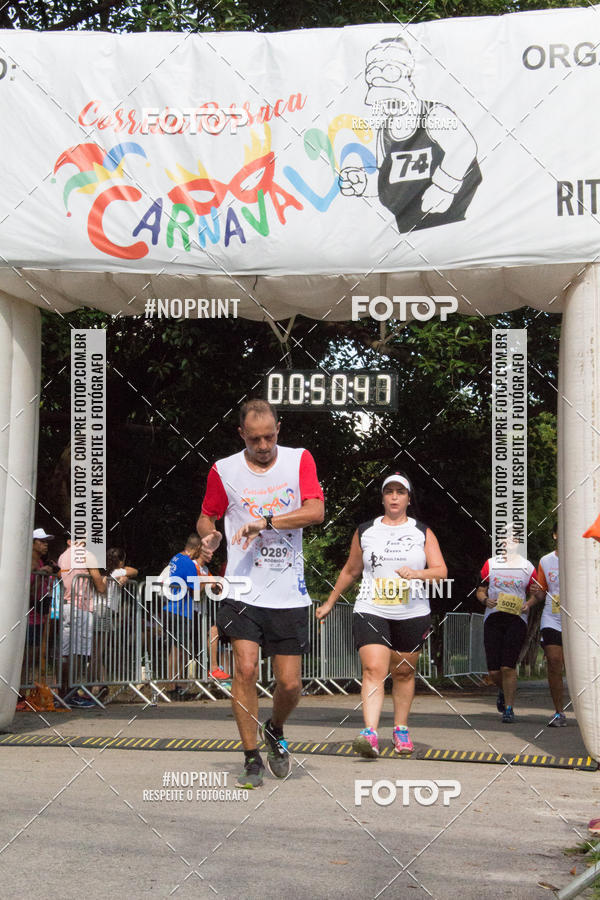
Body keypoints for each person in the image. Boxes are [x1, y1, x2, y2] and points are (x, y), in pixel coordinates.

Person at [197, 398, 324, 789]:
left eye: (269, 437)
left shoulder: (299, 460)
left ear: (278, 429)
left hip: (287, 591)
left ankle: (275, 727)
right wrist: (209, 535)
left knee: (290, 684)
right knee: (246, 669)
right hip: (242, 587)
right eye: (255, 439)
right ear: (242, 435)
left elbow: (315, 511)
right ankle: (251, 757)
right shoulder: (224, 470)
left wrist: (264, 522)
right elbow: (206, 516)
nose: (264, 445)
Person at [317, 472, 446, 757]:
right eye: (390, 492)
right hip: (371, 608)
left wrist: (418, 574)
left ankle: (401, 729)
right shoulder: (366, 531)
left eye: (401, 492)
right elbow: (351, 570)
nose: (394, 497)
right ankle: (370, 733)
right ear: (383, 498)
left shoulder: (421, 532)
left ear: (408, 499)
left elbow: (441, 571)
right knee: (373, 669)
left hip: (412, 611)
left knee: (403, 672)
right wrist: (330, 602)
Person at [476, 534, 537, 724]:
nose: (508, 542)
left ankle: (509, 709)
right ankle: (504, 690)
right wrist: (486, 600)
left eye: (513, 539)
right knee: (494, 672)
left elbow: (538, 592)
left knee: (508, 667)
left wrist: (529, 603)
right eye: (505, 538)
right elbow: (480, 590)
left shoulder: (527, 567)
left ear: (518, 542)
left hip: (517, 619)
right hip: (493, 618)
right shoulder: (491, 564)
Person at [58, 532, 106, 707]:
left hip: (67, 606)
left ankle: (63, 692)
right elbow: (100, 586)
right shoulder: (87, 555)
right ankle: (71, 693)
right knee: (79, 653)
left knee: (66, 652)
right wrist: (105, 581)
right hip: (82, 608)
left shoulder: (63, 556)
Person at [162, 534, 211, 699]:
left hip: (173, 608)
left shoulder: (176, 557)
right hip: (180, 610)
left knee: (179, 649)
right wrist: (208, 582)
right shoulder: (188, 563)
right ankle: (172, 687)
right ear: (196, 548)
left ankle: (177, 685)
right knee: (177, 650)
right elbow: (196, 592)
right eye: (200, 550)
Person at [532, 525, 566, 726]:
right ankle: (559, 712)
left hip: (577, 620)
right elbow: (541, 591)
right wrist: (534, 593)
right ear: (555, 535)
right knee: (554, 662)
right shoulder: (546, 560)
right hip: (552, 618)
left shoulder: (584, 558)